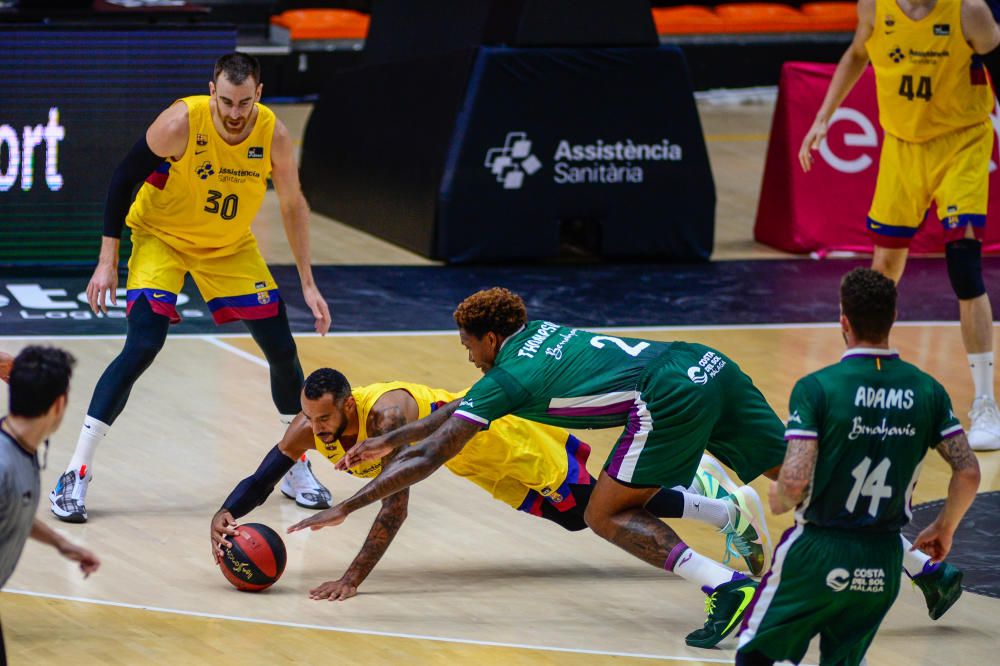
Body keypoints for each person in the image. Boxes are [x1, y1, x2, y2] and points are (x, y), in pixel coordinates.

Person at [288, 288, 792, 648]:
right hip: (706, 365)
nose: (469, 357)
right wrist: (390, 441)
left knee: (601, 513)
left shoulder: (508, 378)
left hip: (664, 397)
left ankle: (724, 585)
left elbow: (430, 455)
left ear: (490, 338)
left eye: (468, 346)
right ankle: (850, 544)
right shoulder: (540, 334)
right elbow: (448, 413)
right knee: (794, 472)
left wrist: (346, 507)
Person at [49, 52, 333, 523]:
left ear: (259, 95)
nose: (235, 112)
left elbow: (293, 206)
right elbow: (123, 179)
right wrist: (107, 260)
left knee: (282, 349)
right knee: (143, 344)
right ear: (211, 92)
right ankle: (76, 471)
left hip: (228, 247)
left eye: (245, 102)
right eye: (226, 101)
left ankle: (295, 465)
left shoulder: (273, 135)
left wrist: (308, 282)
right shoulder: (181, 122)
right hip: (161, 238)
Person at [210, 368, 769, 601]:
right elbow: (266, 474)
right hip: (470, 462)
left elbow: (394, 508)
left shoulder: (386, 417)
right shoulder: (310, 425)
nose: (319, 428)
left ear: (349, 405)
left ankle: (723, 510)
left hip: (500, 441)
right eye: (312, 418)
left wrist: (352, 578)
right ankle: (720, 511)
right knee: (578, 516)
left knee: (598, 504)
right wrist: (227, 511)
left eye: (327, 419)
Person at [736, 268, 981, 665]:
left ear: (843, 321)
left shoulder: (818, 388)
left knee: (757, 656)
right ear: (894, 318)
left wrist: (779, 496)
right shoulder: (928, 391)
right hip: (883, 555)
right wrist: (944, 526)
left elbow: (794, 479)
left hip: (817, 550)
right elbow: (968, 471)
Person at [799, 0, 1000, 450]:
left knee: (964, 269)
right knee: (882, 273)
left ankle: (986, 403)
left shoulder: (969, 11)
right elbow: (856, 52)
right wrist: (823, 116)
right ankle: (858, 383)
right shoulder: (874, 6)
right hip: (902, 147)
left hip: (962, 142)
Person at [1, 347, 101, 665]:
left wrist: (60, 543)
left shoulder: (19, 447)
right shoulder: (4, 464)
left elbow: (14, 507)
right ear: (60, 404)